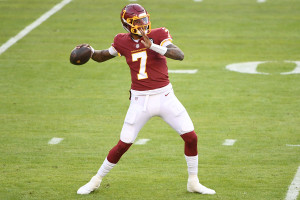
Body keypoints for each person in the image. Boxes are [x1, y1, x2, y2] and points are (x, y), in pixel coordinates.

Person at [76, 3, 216, 195]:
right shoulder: (121, 41)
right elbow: (102, 56)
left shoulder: (158, 34)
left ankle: (193, 181)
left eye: (144, 19)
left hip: (166, 97)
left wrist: (154, 47)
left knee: (191, 137)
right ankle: (95, 180)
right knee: (123, 144)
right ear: (126, 24)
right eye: (137, 21)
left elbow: (179, 55)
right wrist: (90, 51)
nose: (143, 24)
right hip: (140, 101)